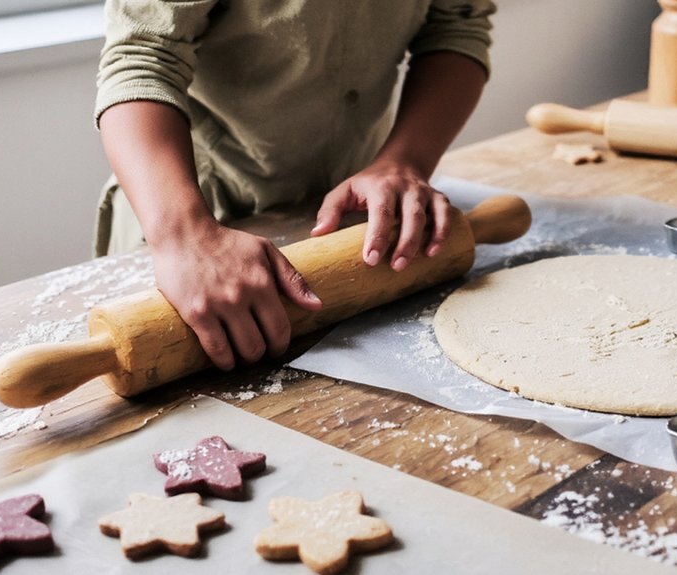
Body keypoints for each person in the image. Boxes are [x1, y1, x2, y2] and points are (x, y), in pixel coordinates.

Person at [94, 0, 495, 372]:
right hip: (191, 216)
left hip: (357, 210)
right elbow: (142, 59)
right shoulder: (185, 233)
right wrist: (184, 237)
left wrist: (404, 162)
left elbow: (455, 26)